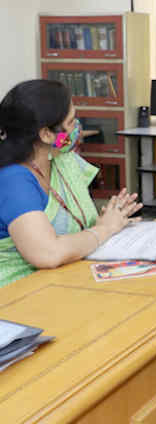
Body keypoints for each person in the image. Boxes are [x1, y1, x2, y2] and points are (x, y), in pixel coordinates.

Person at [0, 80, 142, 287]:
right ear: (46, 134)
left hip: (62, 276)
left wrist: (111, 217)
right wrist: (105, 229)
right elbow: (47, 254)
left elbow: (74, 225)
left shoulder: (60, 158)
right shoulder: (13, 179)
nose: (78, 128)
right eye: (72, 122)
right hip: (17, 292)